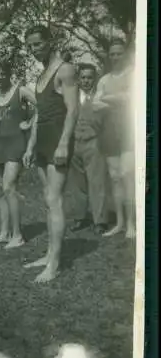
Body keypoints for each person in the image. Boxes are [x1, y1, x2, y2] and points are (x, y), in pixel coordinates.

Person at [23, 25, 79, 283]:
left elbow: (73, 109)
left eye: (37, 44)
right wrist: (31, 145)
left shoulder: (65, 69)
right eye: (30, 46)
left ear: (49, 41)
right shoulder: (41, 75)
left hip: (58, 139)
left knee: (54, 199)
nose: (34, 50)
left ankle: (54, 264)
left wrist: (64, 143)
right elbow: (39, 115)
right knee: (47, 200)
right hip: (43, 141)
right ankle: (48, 254)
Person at [0, 60, 36, 249]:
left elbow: (41, 106)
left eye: (1, 74)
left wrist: (28, 123)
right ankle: (4, 233)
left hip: (15, 144)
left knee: (9, 187)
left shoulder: (21, 90)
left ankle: (18, 235)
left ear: (8, 73)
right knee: (2, 190)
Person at [92, 39, 136, 239]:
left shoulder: (133, 73)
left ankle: (132, 224)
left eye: (119, 53)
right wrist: (119, 98)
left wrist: (108, 98)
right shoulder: (104, 79)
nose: (115, 57)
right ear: (108, 56)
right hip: (109, 131)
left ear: (124, 54)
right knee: (115, 177)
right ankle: (119, 223)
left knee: (128, 174)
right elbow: (95, 104)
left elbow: (133, 97)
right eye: (112, 54)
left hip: (129, 129)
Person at [69, 63, 109, 234]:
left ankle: (100, 221)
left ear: (95, 79)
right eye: (83, 77)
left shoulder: (101, 96)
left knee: (97, 182)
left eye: (90, 77)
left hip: (94, 143)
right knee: (77, 184)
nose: (86, 81)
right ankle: (79, 218)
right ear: (78, 79)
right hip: (74, 143)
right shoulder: (71, 97)